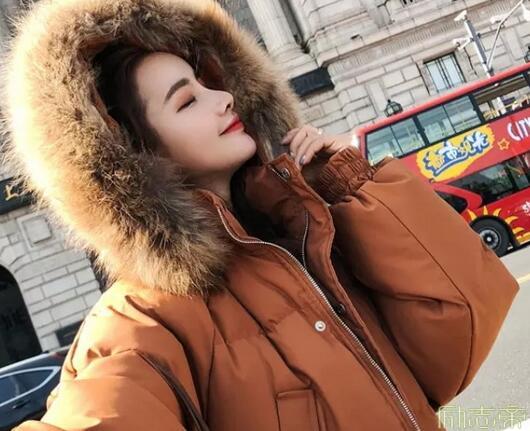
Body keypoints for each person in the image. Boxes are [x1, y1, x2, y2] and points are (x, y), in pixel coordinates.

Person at [1, 0, 519, 430]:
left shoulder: (304, 236)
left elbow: (453, 345)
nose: (225, 98)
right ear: (135, 156)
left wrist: (353, 186)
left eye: (207, 82)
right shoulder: (139, 320)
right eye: (187, 102)